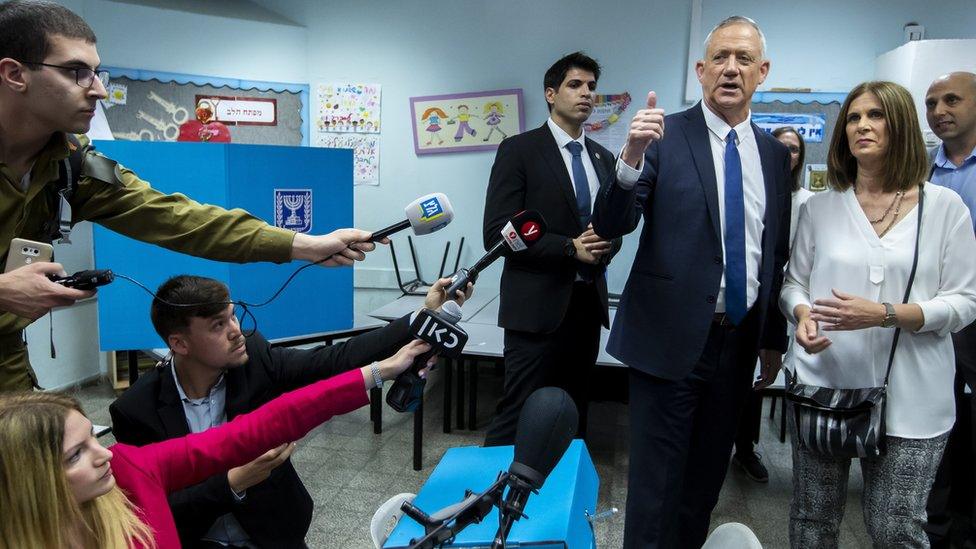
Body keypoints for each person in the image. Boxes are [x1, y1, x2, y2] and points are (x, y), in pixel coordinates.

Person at [0, 0, 379, 392]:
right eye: (76, 72)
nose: (98, 89)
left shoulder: (70, 163)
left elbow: (178, 219)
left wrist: (304, 244)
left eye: (98, 73)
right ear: (15, 74)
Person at [592, 16, 791, 548]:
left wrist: (772, 335)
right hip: (666, 339)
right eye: (720, 59)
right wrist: (629, 157)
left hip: (738, 341)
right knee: (656, 489)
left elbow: (775, 251)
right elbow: (613, 224)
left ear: (762, 71)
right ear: (700, 71)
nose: (731, 69)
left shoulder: (773, 155)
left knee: (704, 485)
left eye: (744, 59)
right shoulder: (663, 136)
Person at [109, 275, 470, 547]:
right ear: (179, 343)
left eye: (234, 317)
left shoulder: (254, 357)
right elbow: (155, 510)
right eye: (218, 325)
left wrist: (422, 318)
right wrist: (231, 485)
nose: (236, 331)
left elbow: (334, 360)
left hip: (275, 534)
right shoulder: (135, 410)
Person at [780, 80, 976, 547]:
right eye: (852, 117)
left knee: (895, 529)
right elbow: (794, 284)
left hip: (914, 396)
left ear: (902, 125)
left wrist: (886, 313)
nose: (862, 125)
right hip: (823, 384)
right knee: (813, 522)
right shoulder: (820, 207)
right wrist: (802, 314)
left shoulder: (943, 208)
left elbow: (965, 302)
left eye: (876, 115)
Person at [0, 341, 435, 548]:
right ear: (29, 480)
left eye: (90, 438)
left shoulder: (131, 467)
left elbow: (265, 423)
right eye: (76, 454)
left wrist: (379, 371)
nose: (104, 454)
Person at [482, 52, 620, 445]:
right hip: (534, 309)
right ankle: (494, 503)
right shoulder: (520, 150)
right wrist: (567, 249)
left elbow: (614, 227)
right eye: (576, 85)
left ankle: (561, 498)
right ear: (550, 93)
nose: (587, 93)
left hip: (586, 306)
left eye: (592, 86)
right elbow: (497, 233)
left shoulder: (603, 158)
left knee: (572, 412)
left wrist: (606, 245)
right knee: (517, 411)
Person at [731, 126, 812, 483]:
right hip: (743, 296)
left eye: (793, 150)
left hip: (787, 301)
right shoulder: (750, 190)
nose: (785, 155)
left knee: (758, 382)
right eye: (780, 147)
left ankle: (745, 449)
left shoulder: (807, 203)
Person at [924, 71, 976, 549]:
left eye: (952, 99)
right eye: (932, 102)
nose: (940, 110)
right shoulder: (921, 170)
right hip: (939, 314)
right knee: (943, 417)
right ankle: (935, 526)